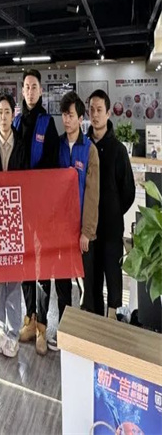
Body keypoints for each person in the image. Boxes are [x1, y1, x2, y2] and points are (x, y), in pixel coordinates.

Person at [13, 69, 60, 355]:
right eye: (26, 87)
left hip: (41, 208)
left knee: (42, 267)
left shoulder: (47, 123)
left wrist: (33, 183)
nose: (30, 91)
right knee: (26, 264)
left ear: (41, 91)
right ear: (22, 91)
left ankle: (42, 325)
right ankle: (29, 319)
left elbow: (52, 163)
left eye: (34, 87)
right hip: (21, 208)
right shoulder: (16, 122)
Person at [49, 91, 99, 349]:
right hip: (59, 230)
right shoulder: (56, 145)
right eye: (64, 115)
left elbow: (92, 194)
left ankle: (84, 336)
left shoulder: (89, 150)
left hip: (80, 231)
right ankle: (64, 331)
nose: (66, 120)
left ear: (81, 118)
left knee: (85, 285)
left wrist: (87, 231)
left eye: (70, 115)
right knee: (61, 285)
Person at [87, 90, 135, 318]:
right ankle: (96, 325)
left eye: (99, 110)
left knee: (114, 281)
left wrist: (113, 211)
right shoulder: (83, 146)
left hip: (112, 230)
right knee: (92, 283)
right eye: (91, 110)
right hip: (89, 231)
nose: (95, 115)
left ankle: (113, 323)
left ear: (108, 113)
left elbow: (128, 192)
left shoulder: (118, 149)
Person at [0, 95, 28, 358]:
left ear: (13, 115)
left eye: (7, 112)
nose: (3, 117)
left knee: (13, 278)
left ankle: (13, 333)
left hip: (16, 219)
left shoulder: (22, 146)